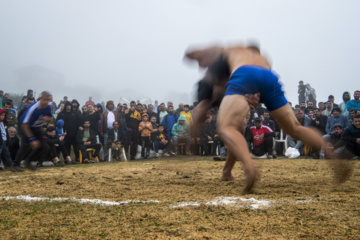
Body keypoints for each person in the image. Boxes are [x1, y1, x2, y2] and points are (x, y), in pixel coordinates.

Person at [185, 43, 350, 193]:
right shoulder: (264, 59)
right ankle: (332, 155)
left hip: (244, 75)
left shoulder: (234, 49)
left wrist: (193, 56)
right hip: (270, 77)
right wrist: (255, 97)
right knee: (294, 128)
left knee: (226, 127)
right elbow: (256, 89)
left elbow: (202, 53)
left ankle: (250, 168)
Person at [15, 91, 53, 169]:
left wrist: (47, 119)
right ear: (40, 99)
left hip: (36, 127)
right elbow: (24, 125)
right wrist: (32, 139)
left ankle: (28, 161)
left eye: (48, 100)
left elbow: (50, 117)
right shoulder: (33, 108)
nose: (46, 102)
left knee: (44, 146)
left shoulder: (48, 106)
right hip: (24, 126)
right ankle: (16, 164)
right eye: (44, 99)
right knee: (26, 145)